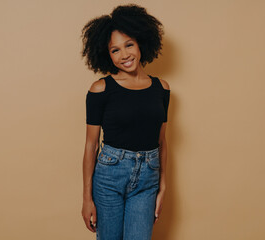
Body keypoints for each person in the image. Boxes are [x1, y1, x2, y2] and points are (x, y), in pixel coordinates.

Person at [80, 4, 170, 240]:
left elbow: (162, 142)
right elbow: (91, 146)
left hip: (147, 179)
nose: (124, 55)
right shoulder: (100, 89)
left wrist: (163, 187)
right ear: (106, 54)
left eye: (129, 45)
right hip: (109, 176)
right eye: (115, 50)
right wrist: (87, 198)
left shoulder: (162, 88)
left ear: (141, 42)